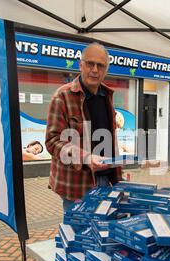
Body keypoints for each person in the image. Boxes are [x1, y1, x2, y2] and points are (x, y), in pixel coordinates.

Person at [45, 42, 122, 212]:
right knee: (77, 235)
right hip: (76, 187)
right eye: (90, 64)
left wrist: (119, 178)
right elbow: (52, 141)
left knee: (102, 234)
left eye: (100, 65)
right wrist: (85, 157)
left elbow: (110, 140)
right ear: (81, 65)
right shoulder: (62, 96)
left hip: (106, 182)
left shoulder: (107, 97)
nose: (95, 70)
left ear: (106, 70)